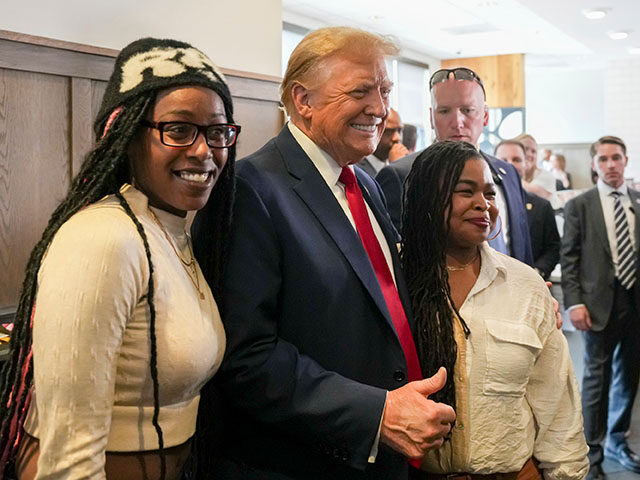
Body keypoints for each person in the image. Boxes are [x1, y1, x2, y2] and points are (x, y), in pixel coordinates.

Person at [193, 26, 455, 479]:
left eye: (385, 90)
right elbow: (246, 357)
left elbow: (385, 299)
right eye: (360, 91)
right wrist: (376, 414)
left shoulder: (363, 183)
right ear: (303, 100)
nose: (379, 108)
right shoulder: (249, 191)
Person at [0, 37, 238, 480]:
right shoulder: (103, 239)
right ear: (126, 134)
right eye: (179, 129)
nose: (204, 151)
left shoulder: (174, 230)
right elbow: (69, 457)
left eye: (218, 131)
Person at [402, 140, 588, 479]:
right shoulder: (393, 282)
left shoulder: (524, 284)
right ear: (428, 198)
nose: (483, 205)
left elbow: (558, 406)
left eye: (489, 194)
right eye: (465, 191)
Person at [376, 67, 533, 267]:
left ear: (485, 116)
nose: (457, 122)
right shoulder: (402, 176)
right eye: (444, 111)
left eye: (467, 110)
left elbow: (522, 246)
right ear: (432, 118)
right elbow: (394, 261)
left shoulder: (507, 172)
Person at [561, 135, 640, 479]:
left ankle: (617, 441)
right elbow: (570, 258)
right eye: (604, 159)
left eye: (616, 158)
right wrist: (575, 302)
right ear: (594, 164)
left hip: (635, 303)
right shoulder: (581, 205)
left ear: (625, 161)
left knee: (630, 377)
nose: (610, 164)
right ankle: (591, 454)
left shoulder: (637, 201)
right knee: (597, 377)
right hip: (596, 305)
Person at [495, 140, 560, 279]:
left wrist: (536, 273)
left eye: (516, 159)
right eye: (504, 159)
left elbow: (553, 248)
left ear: (526, 164)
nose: (509, 164)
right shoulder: (485, 204)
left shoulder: (542, 206)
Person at [357, 108, 409, 177]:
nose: (397, 138)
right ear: (372, 131)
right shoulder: (357, 169)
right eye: (389, 132)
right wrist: (396, 168)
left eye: (399, 131)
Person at [514, 133, 557, 200]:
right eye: (525, 149)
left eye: (533, 151)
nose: (529, 154)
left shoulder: (546, 175)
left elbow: (533, 195)